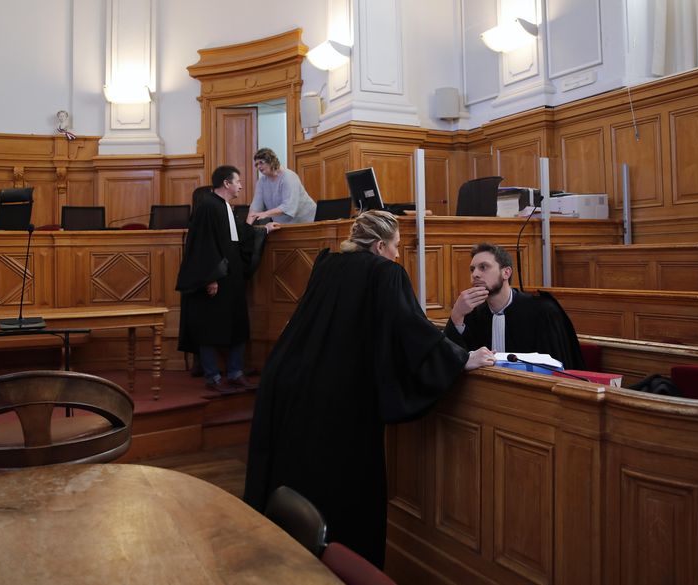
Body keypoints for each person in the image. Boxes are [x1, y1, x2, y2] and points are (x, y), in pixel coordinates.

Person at [243, 210, 495, 569]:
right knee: (342, 491)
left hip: (288, 382)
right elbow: (409, 329)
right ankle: (339, 567)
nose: (397, 255)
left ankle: (284, 561)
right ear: (379, 245)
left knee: (293, 479)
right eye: (395, 247)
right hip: (337, 400)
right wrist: (458, 358)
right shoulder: (384, 272)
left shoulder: (328, 263)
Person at [176, 165, 277, 392]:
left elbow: (238, 235)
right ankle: (213, 377)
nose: (241, 185)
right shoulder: (207, 207)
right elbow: (203, 245)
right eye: (238, 181)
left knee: (238, 325)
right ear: (226, 184)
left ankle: (235, 373)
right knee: (210, 329)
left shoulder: (225, 207)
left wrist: (264, 230)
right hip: (216, 279)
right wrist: (210, 278)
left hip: (232, 278)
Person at [444, 242, 584, 369]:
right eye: (472, 269)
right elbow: (452, 362)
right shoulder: (472, 314)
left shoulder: (542, 311)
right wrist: (457, 315)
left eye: (483, 267)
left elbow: (559, 366)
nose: (475, 274)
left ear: (506, 272)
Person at [248, 147, 317, 223]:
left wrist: (266, 213)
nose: (258, 167)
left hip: (307, 222)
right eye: (256, 164)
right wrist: (248, 226)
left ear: (271, 161)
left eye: (261, 162)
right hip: (284, 225)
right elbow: (255, 207)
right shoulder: (261, 182)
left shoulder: (289, 177)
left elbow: (288, 206)